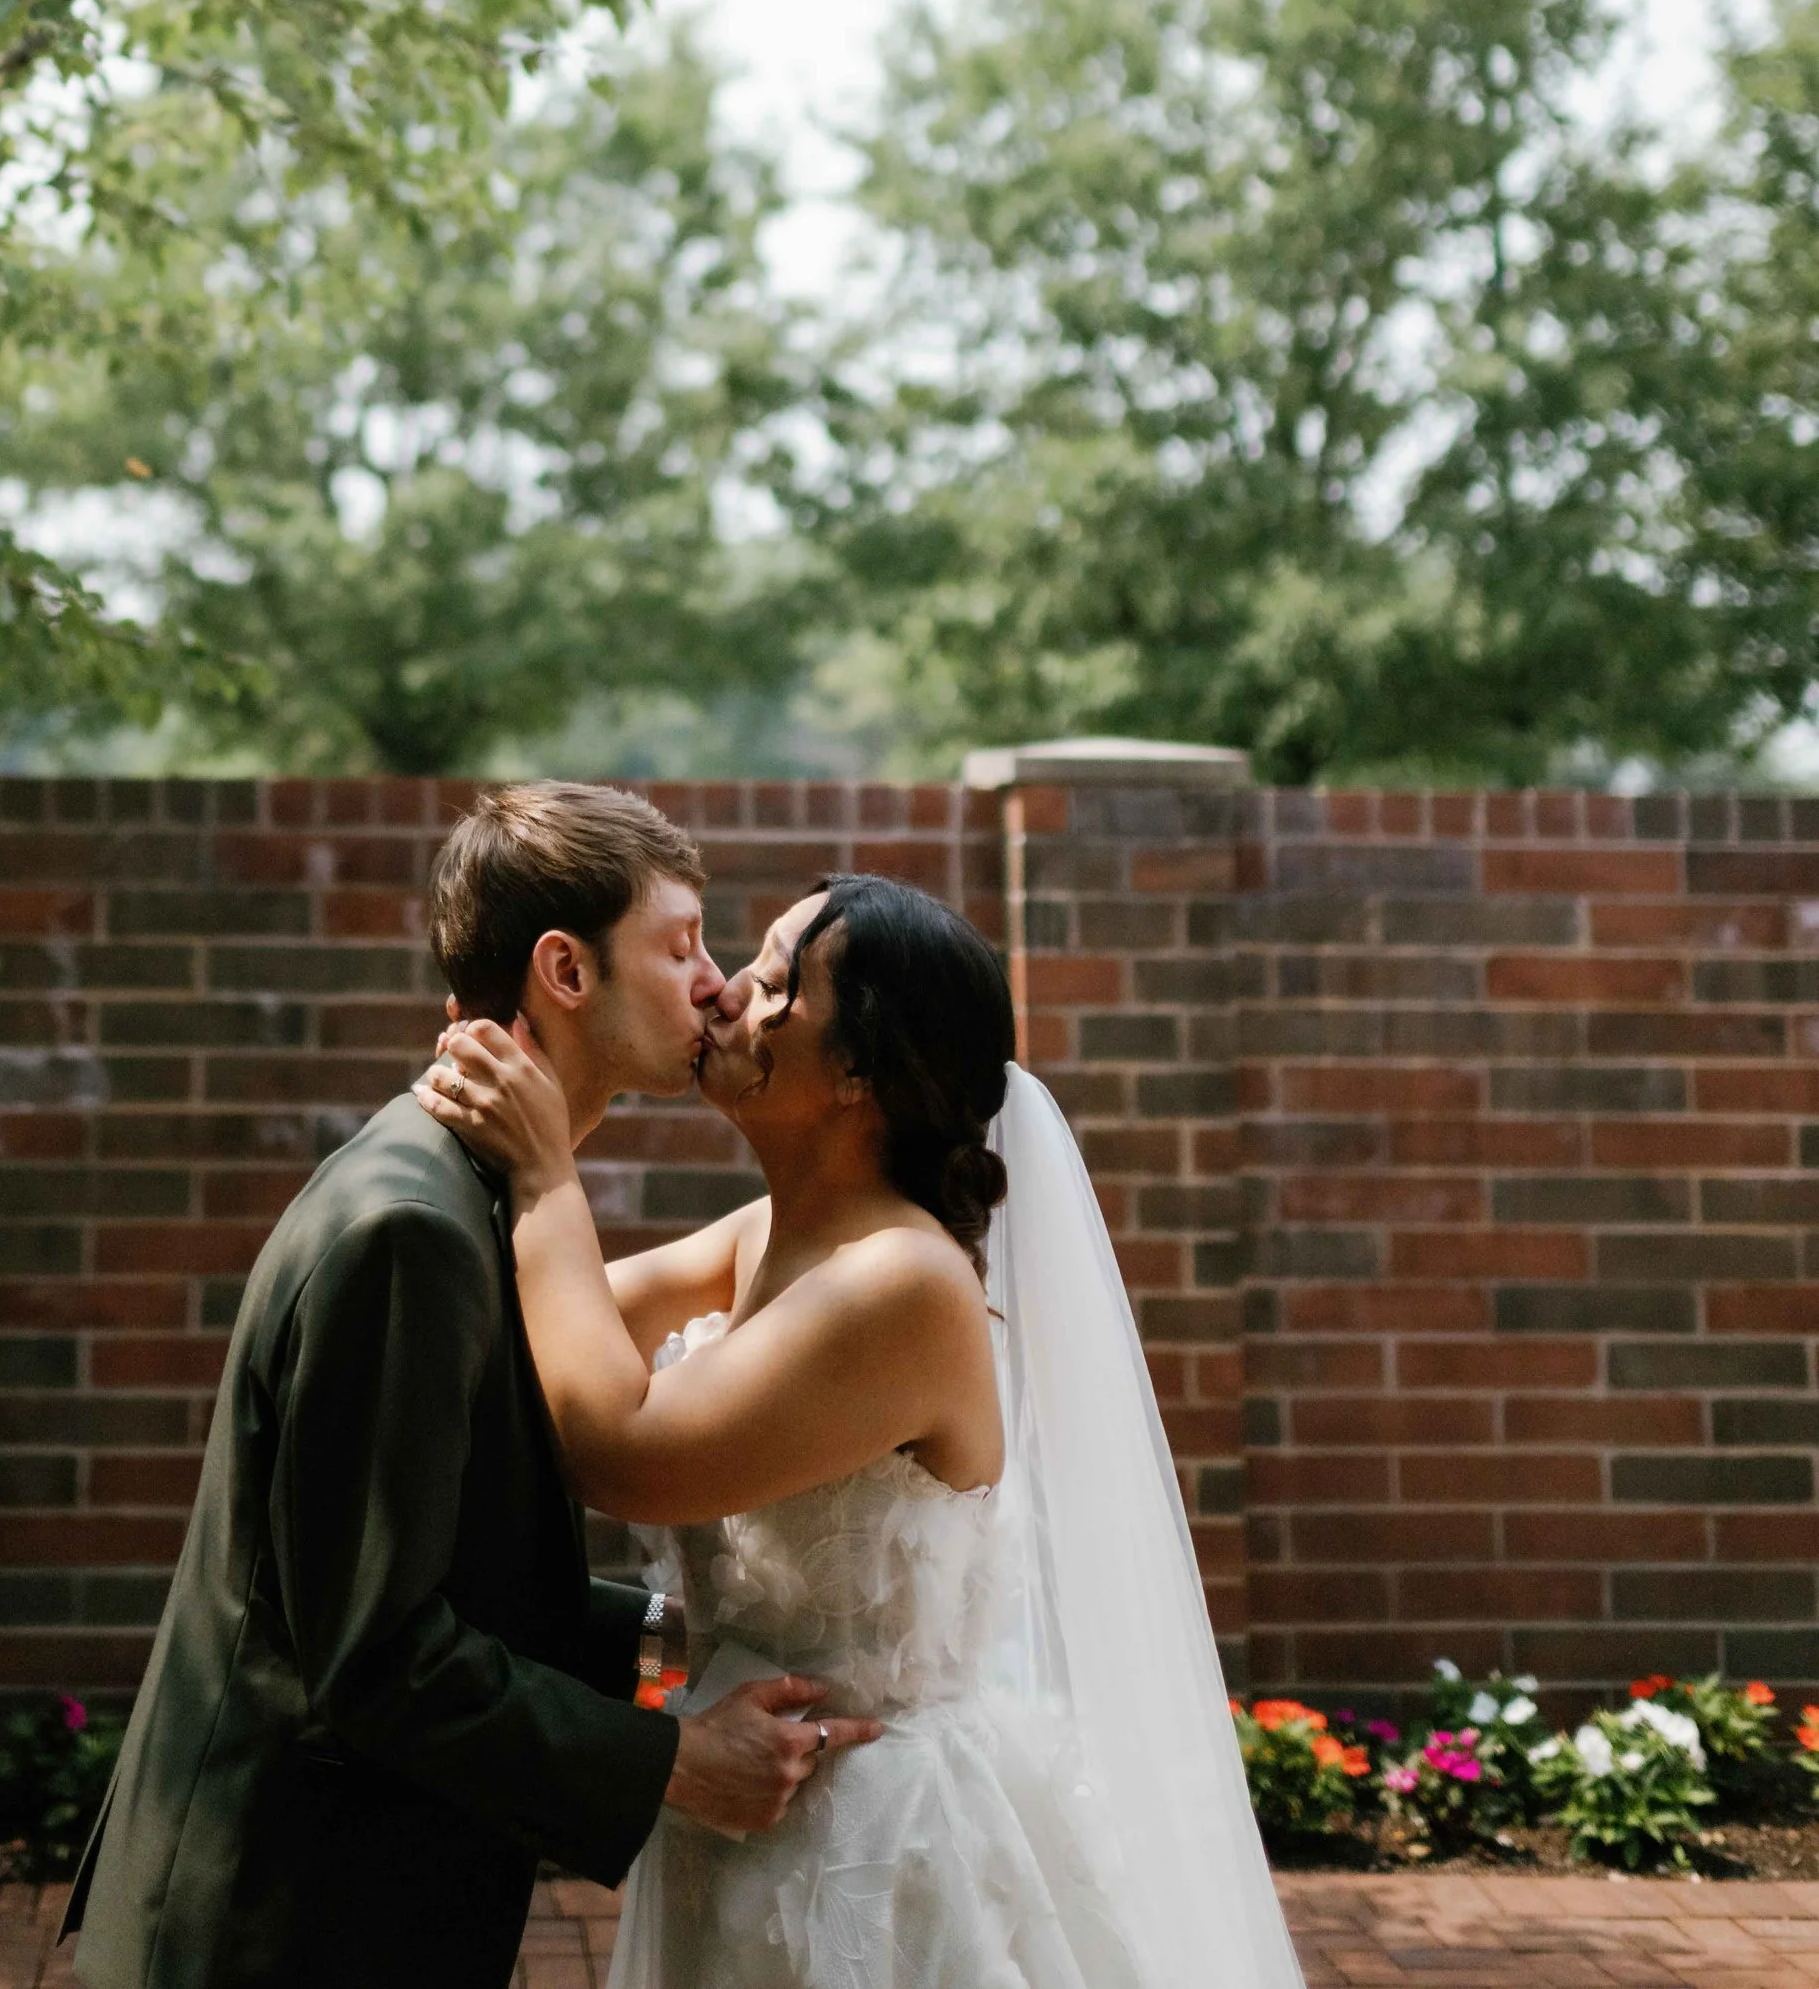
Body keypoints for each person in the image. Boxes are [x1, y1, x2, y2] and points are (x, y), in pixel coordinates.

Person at [418, 871, 1307, 1989]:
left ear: (856, 1073)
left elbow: (619, 1450)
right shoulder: (768, 1235)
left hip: (872, 1849)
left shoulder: (902, 1283)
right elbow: (542, 1328)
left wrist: (548, 1167)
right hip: (745, 1796)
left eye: (776, 980)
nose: (722, 993)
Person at [64, 785, 877, 1989]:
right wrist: (671, 1764)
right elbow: (375, 1653)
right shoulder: (414, 1228)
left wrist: (675, 1634)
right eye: (679, 943)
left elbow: (450, 1561)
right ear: (565, 970)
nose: (713, 982)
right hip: (285, 1919)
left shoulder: (468, 1189)